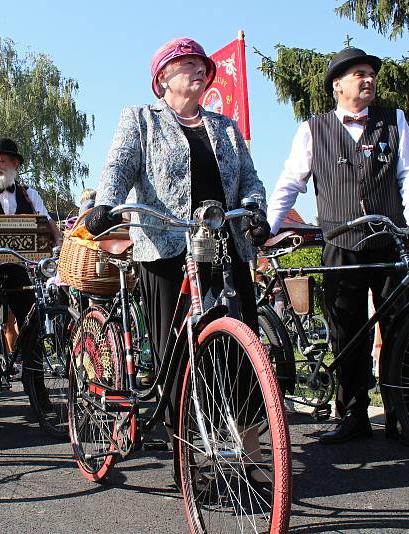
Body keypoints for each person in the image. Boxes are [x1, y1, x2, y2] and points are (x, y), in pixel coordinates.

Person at [85, 37, 270, 490]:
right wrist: (105, 206)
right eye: (184, 63)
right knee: (179, 359)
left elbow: (250, 180)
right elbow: (117, 169)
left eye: (200, 64)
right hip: (168, 250)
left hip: (224, 248)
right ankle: (189, 458)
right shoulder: (141, 120)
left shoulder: (225, 128)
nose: (196, 70)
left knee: (241, 351)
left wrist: (255, 210)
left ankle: (250, 455)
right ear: (161, 78)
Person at [267, 47, 409, 444]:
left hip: (389, 240)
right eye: (359, 73)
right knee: (347, 331)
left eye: (371, 72)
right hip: (341, 244)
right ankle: (354, 414)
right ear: (337, 85)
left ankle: (402, 415)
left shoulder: (394, 121)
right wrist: (266, 228)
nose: (368, 78)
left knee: (399, 327)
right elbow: (291, 182)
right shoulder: (313, 128)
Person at [0, 137, 63, 389]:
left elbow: (46, 220)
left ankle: (36, 383)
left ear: (14, 164)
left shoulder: (29, 194)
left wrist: (59, 242)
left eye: (1, 161)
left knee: (32, 313)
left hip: (19, 266)